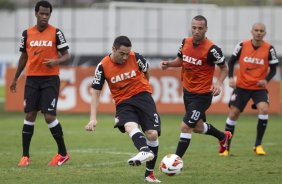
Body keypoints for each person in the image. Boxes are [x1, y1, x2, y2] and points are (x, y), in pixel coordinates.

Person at [85, 36, 161, 183]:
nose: (125, 57)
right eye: (122, 53)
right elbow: (95, 93)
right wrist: (93, 118)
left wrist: (145, 87)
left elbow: (146, 71)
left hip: (142, 96)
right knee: (129, 125)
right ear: (113, 49)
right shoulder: (102, 66)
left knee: (152, 135)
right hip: (123, 102)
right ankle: (144, 151)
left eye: (128, 53)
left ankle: (149, 174)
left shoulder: (136, 57)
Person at [160, 15, 232, 159]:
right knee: (198, 127)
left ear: (206, 29)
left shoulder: (212, 49)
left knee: (186, 126)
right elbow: (180, 60)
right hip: (188, 92)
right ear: (191, 28)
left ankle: (175, 161)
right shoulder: (185, 42)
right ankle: (223, 137)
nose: (196, 31)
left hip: (203, 95)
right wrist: (169, 64)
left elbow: (224, 68)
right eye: (194, 28)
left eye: (200, 28)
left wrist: (218, 83)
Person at [10, 0, 71, 166]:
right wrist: (16, 78)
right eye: (42, 13)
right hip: (32, 79)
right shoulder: (27, 34)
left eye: (47, 14)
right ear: (35, 13)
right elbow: (23, 57)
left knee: (49, 116)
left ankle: (63, 154)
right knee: (30, 114)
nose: (44, 16)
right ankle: (25, 156)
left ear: (50, 15)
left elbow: (67, 55)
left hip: (50, 79)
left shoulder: (56, 33)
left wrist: (56, 60)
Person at [221, 23, 279, 156]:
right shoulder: (242, 45)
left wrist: (266, 80)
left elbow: (274, 68)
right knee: (233, 114)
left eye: (261, 31)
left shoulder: (269, 49)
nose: (258, 32)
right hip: (241, 87)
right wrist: (230, 78)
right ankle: (226, 148)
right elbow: (231, 61)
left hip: (259, 88)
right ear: (251, 31)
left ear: (265, 33)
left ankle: (258, 145)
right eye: (256, 30)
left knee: (264, 109)